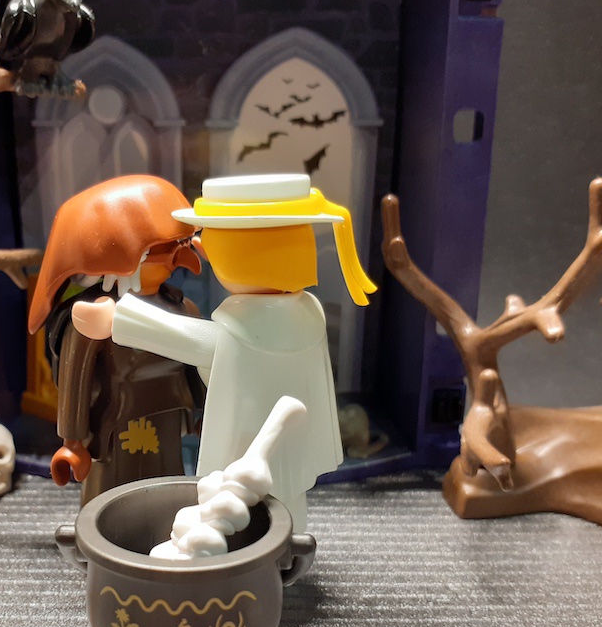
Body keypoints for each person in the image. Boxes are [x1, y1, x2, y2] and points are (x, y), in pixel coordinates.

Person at [72, 173, 376, 530]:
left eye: (214, 249)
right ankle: (292, 546)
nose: (201, 250)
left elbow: (185, 337)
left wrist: (116, 319)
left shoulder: (239, 330)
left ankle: (253, 553)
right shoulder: (310, 313)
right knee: (291, 508)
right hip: (293, 450)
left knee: (239, 518)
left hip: (242, 458)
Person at [28, 175, 204, 506]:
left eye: (178, 245)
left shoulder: (183, 308)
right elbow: (75, 381)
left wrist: (204, 410)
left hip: (168, 413)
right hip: (116, 419)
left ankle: (168, 523)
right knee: (110, 488)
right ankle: (101, 529)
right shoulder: (93, 318)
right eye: (163, 249)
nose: (177, 256)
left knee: (167, 481)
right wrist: (72, 441)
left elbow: (195, 365)